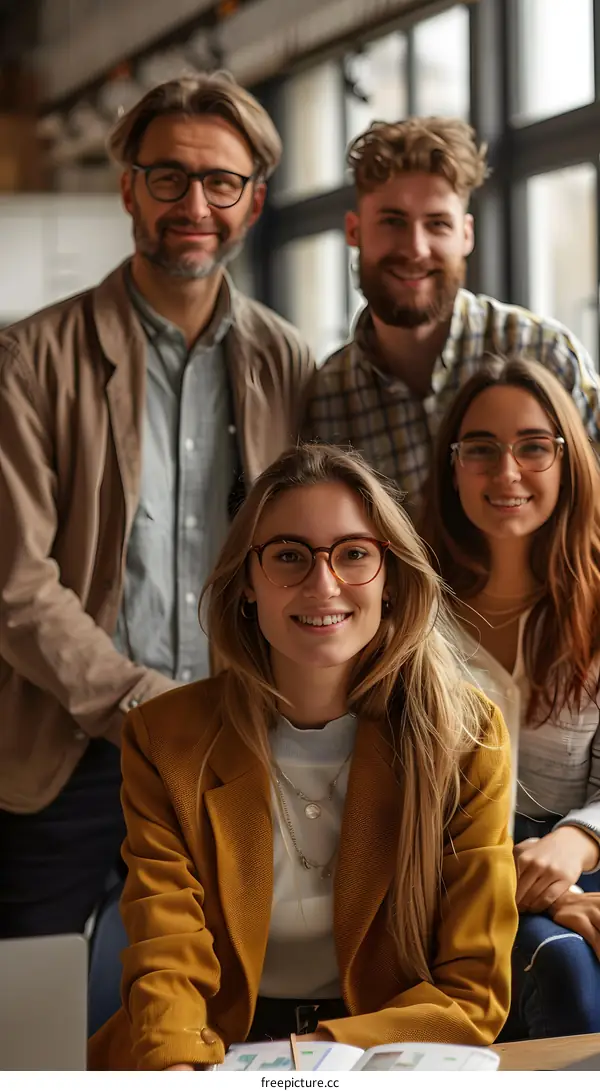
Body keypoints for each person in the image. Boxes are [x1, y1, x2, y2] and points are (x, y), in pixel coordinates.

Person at [0, 71, 315, 940]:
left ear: (253, 203)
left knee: (215, 1009)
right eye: (169, 176)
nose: (195, 203)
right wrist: (149, 706)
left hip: (236, 749)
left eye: (223, 182)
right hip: (65, 757)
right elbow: (17, 585)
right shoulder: (29, 359)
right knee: (39, 1017)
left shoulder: (286, 361)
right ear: (129, 186)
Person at [88, 442, 517, 1070]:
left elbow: (473, 992)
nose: (324, 583)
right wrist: (184, 1071)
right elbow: (166, 954)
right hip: (205, 1052)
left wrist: (308, 1060)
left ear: (391, 581)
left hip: (382, 1055)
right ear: (246, 586)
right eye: (289, 555)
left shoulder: (466, 736)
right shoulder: (163, 737)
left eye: (354, 555)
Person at [422, 357, 600, 1038]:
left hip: (580, 862)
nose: (507, 473)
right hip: (448, 882)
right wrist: (544, 892)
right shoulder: (406, 613)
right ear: (452, 465)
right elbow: (395, 808)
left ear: (567, 459)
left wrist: (575, 844)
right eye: (481, 450)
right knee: (568, 977)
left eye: (533, 446)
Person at [303, 117, 600, 517]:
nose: (416, 248)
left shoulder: (544, 352)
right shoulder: (326, 397)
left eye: (438, 224)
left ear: (466, 235)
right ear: (354, 231)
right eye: (393, 221)